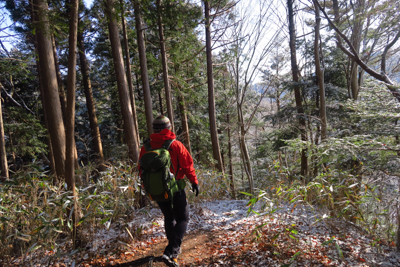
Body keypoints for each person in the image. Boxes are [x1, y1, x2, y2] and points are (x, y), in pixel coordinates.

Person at [138, 115, 199, 265]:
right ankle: (171, 251)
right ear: (168, 129)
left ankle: (173, 250)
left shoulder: (146, 148)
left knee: (169, 218)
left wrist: (148, 188)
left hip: (157, 191)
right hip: (175, 188)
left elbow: (141, 170)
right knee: (183, 219)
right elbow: (187, 165)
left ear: (155, 130)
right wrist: (194, 182)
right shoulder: (176, 145)